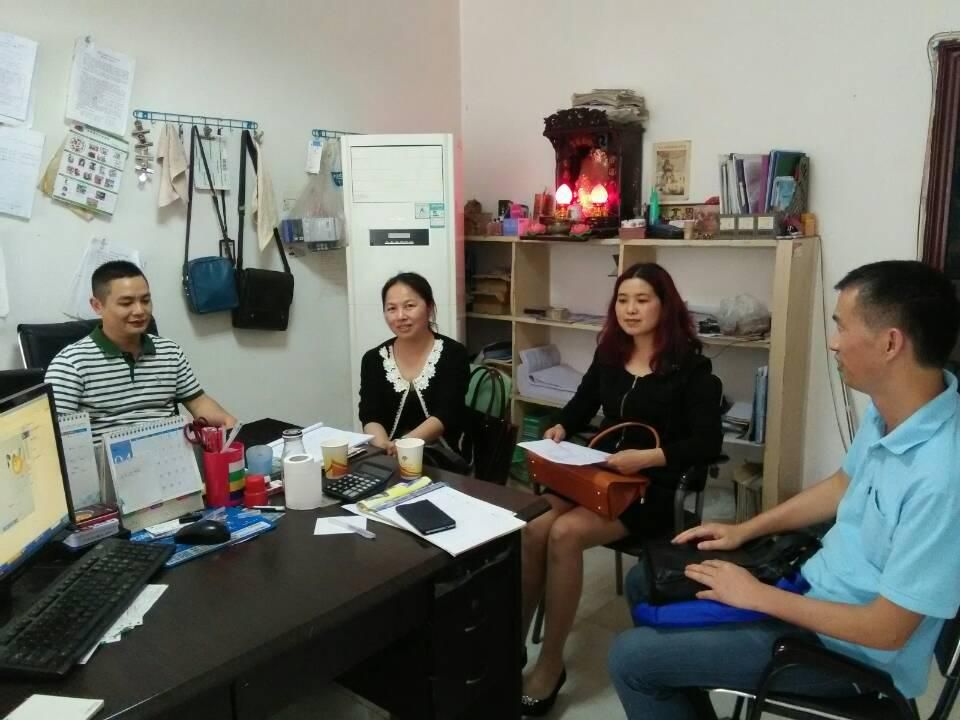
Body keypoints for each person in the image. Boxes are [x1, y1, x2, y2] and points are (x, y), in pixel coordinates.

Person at [609, 260, 960, 720]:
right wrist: (745, 529)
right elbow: (842, 485)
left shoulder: (942, 477)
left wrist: (757, 596)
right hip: (811, 583)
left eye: (842, 327)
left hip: (848, 651)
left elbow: (887, 631)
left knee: (631, 659)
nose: (833, 342)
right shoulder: (891, 411)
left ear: (890, 343)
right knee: (647, 578)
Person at [521, 263, 723, 715]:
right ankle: (510, 644)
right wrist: (561, 426)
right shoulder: (610, 354)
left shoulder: (692, 368)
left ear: (665, 306)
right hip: (601, 471)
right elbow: (582, 403)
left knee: (564, 533)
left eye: (642, 300)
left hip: (653, 486)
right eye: (623, 300)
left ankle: (551, 664)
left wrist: (648, 457)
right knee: (534, 525)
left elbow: (707, 442)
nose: (630, 309)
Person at [45, 261, 236, 441]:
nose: (139, 311)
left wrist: (230, 424)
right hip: (107, 462)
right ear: (97, 306)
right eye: (126, 303)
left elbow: (198, 402)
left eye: (145, 300)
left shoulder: (169, 351)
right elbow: (55, 439)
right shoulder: (70, 364)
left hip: (171, 456)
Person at [358, 272, 469, 459]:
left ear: (429, 307)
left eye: (409, 306)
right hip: (388, 455)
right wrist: (384, 446)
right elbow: (370, 415)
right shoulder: (373, 359)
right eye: (391, 308)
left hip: (440, 459)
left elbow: (447, 413)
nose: (400, 316)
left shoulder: (453, 354)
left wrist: (404, 445)